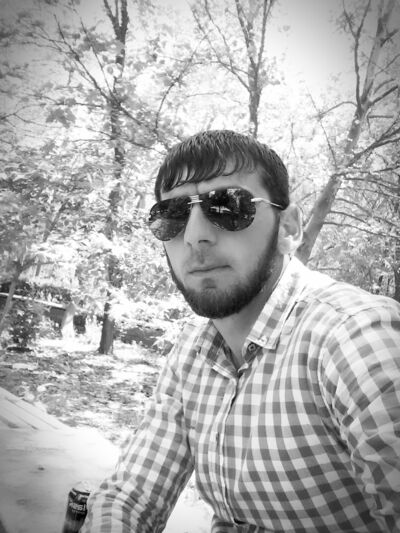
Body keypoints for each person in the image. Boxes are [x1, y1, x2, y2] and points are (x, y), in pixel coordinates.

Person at [82, 130, 400, 533]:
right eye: (172, 215)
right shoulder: (191, 352)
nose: (194, 236)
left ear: (288, 228)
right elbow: (131, 496)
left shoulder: (356, 336)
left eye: (228, 206)